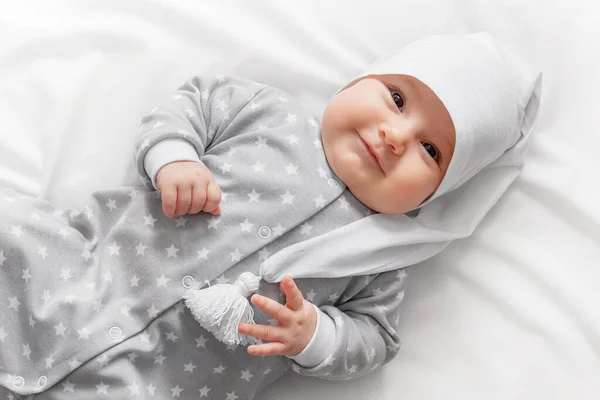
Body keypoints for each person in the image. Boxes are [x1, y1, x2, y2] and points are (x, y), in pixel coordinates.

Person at [0, 32, 541, 399]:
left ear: (441, 189)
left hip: (150, 379)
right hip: (77, 271)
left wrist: (314, 337)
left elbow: (376, 339)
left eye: (431, 151)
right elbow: (193, 103)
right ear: (361, 81)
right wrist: (175, 158)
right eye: (398, 98)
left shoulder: (383, 253)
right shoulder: (272, 114)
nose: (395, 137)